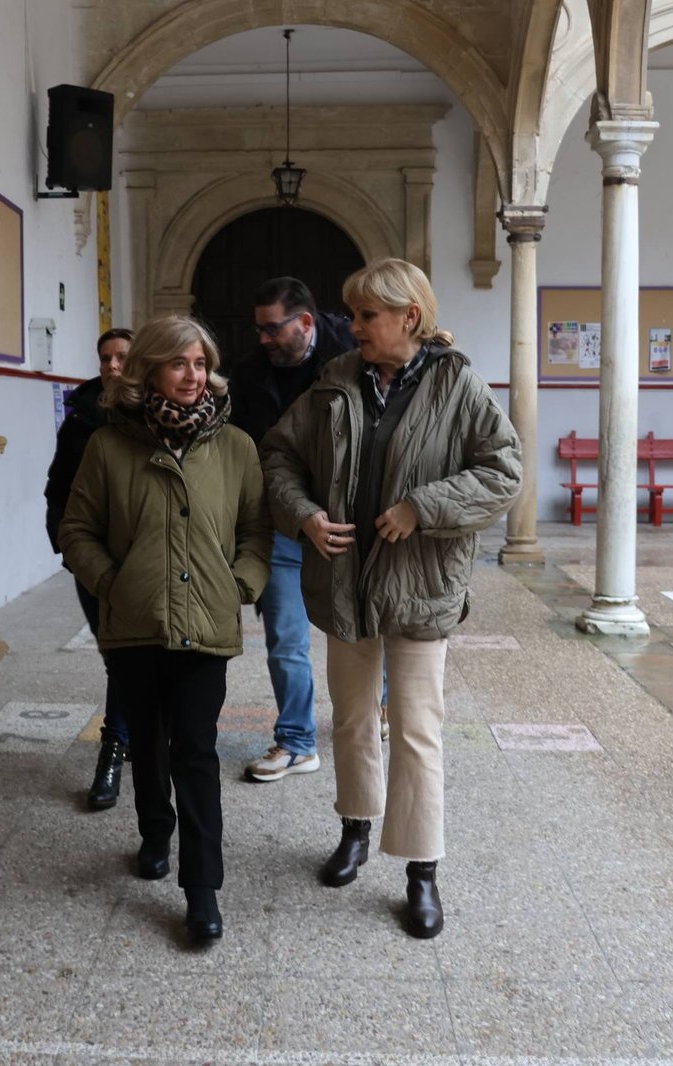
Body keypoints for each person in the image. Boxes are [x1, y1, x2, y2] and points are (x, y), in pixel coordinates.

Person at [261, 258, 521, 939]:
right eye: (352, 314)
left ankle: (419, 869)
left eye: (367, 316)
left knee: (415, 729)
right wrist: (306, 515)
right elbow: (279, 456)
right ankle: (355, 830)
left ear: (409, 317)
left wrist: (422, 507)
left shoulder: (458, 381)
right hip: (346, 581)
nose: (354, 327)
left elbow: (504, 472)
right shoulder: (335, 380)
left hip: (421, 582)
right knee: (350, 718)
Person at [58, 315, 272, 946]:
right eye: (179, 363)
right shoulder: (108, 445)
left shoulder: (236, 447)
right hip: (134, 623)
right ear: (149, 368)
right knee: (146, 742)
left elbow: (257, 531)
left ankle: (201, 888)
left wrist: (240, 585)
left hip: (206, 621)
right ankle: (155, 832)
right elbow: (77, 531)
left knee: (196, 751)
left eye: (200, 363)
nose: (192, 375)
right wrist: (113, 584)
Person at [229, 277, 355, 783]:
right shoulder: (250, 372)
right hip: (282, 520)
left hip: (346, 519)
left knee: (362, 626)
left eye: (272, 329)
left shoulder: (355, 353)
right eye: (258, 329)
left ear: (305, 322)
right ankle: (297, 741)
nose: (263, 339)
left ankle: (382, 706)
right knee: (285, 637)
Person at [44, 327, 134, 810]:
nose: (112, 366)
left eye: (122, 357)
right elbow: (56, 489)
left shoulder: (157, 415)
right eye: (105, 358)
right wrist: (66, 544)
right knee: (115, 655)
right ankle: (132, 729)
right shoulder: (79, 419)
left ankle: (113, 752)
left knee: (124, 655)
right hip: (89, 556)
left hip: (140, 559)